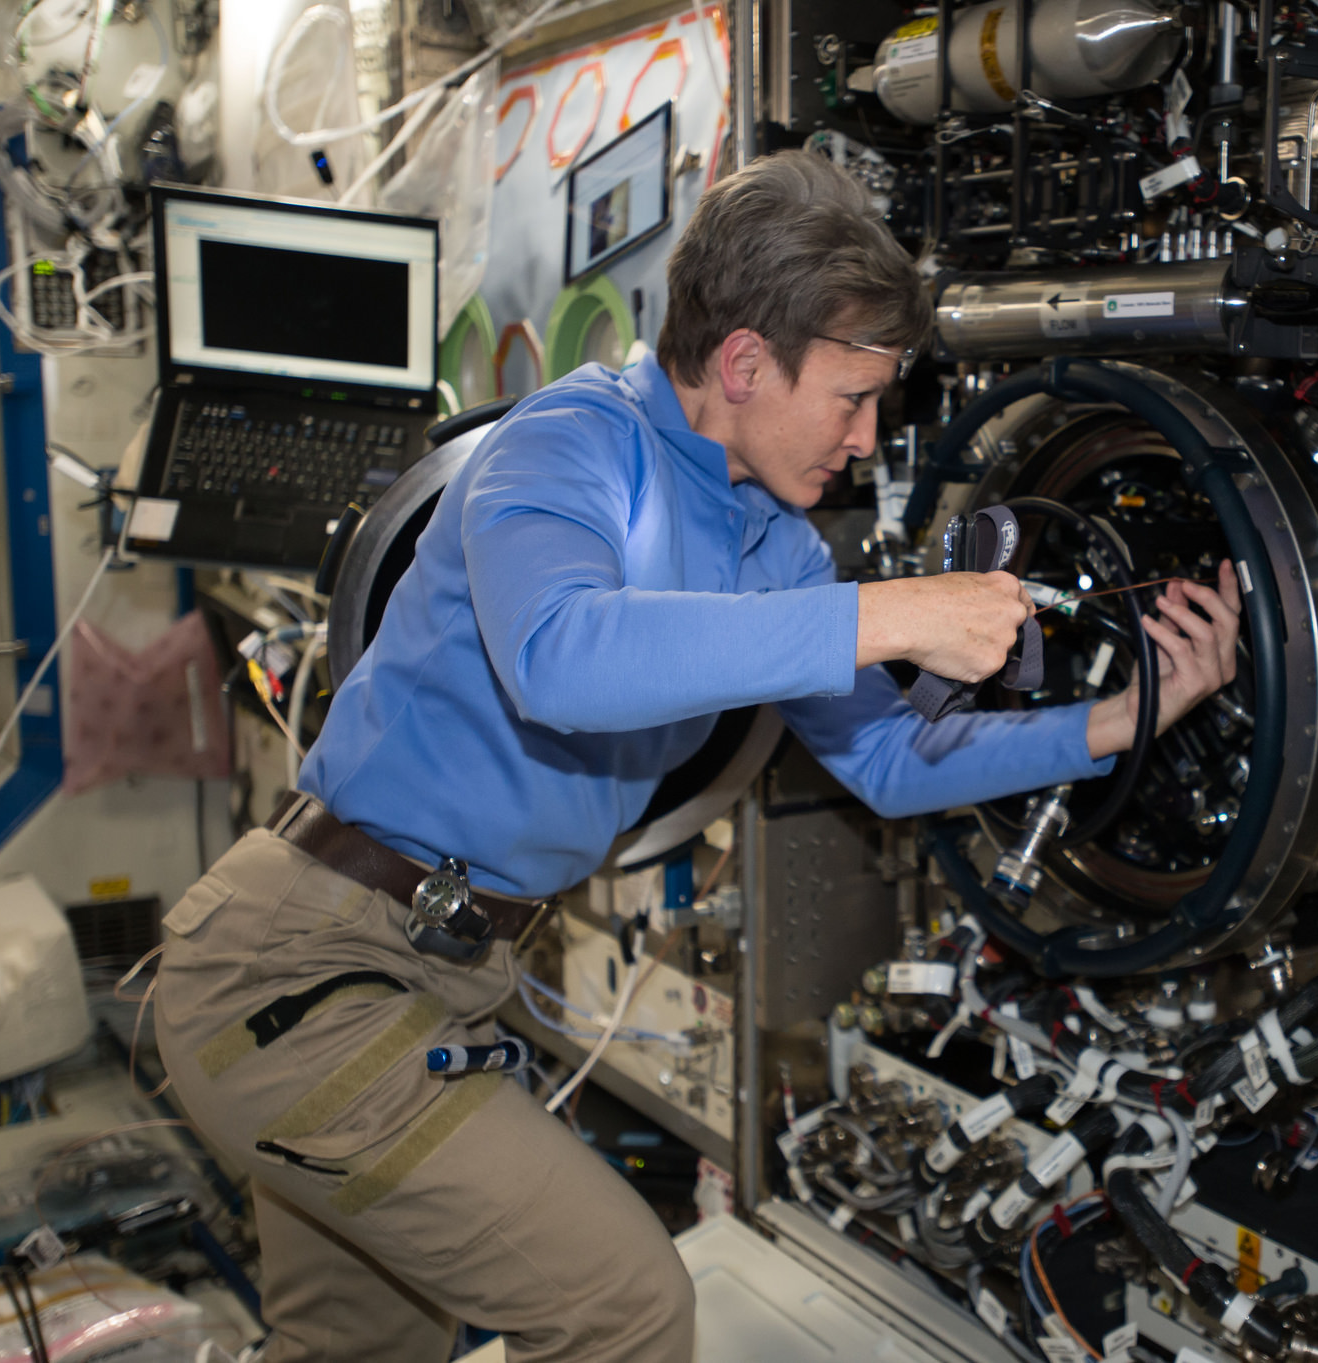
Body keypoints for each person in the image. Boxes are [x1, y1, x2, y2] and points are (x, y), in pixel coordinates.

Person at [153, 150, 1243, 1363]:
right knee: (620, 1306)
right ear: (741, 363)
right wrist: (894, 613)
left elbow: (884, 757)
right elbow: (559, 657)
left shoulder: (773, 547)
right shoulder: (563, 445)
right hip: (306, 972)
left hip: (421, 982)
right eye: (849, 399)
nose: (868, 438)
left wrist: (1118, 721)